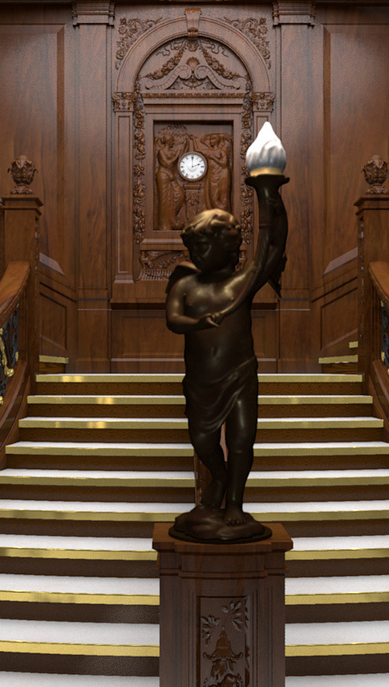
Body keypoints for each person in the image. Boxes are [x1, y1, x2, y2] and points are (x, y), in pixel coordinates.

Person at [163, 172, 289, 542]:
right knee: (203, 441)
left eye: (204, 248)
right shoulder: (184, 283)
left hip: (240, 375)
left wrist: (270, 196)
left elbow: (274, 244)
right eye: (193, 249)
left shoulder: (244, 282)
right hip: (202, 382)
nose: (196, 255)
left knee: (241, 439)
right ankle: (217, 479)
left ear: (230, 247)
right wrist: (199, 321)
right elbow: (173, 320)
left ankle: (234, 501)